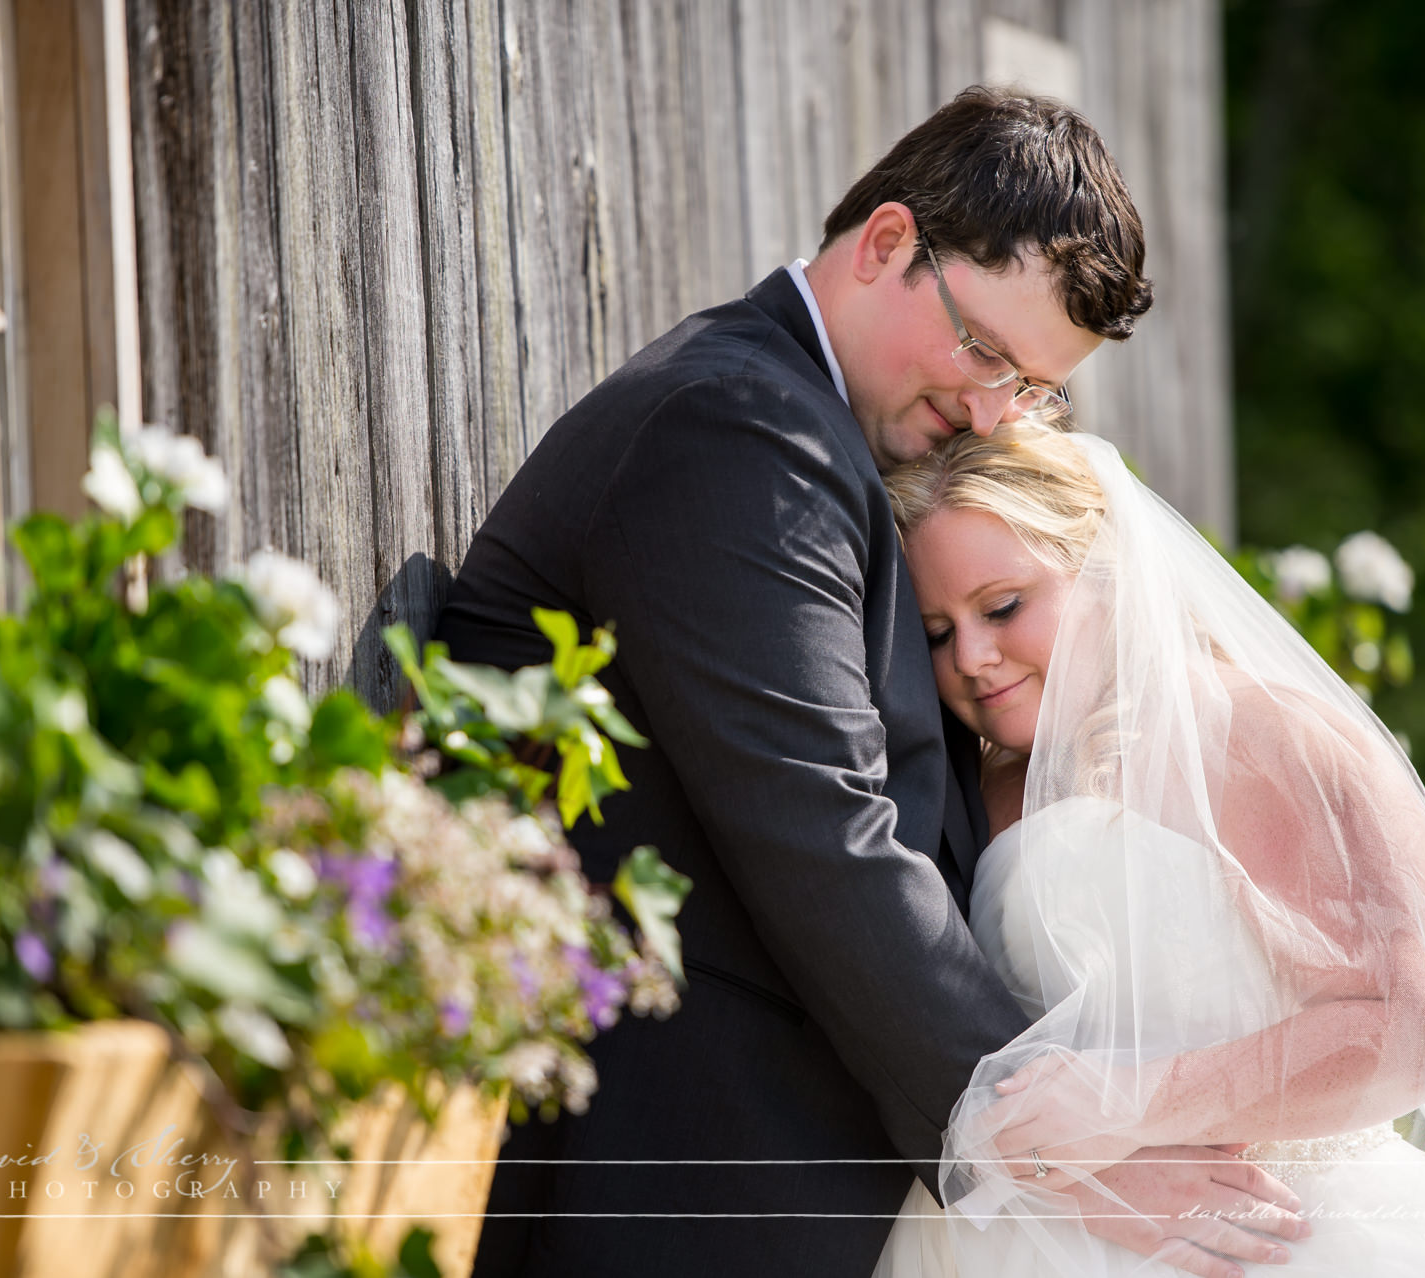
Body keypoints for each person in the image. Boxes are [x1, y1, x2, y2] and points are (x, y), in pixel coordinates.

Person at [438, 88, 1305, 1278]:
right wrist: (1070, 1144)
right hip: (675, 1172)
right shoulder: (739, 430)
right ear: (888, 243)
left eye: (1034, 389)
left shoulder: (833, 441)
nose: (992, 413)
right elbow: (821, 832)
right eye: (987, 351)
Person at [875, 422, 1425, 1277]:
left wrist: (1131, 1106)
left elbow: (1424, 1030)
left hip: (1292, 1241)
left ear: (1106, 573)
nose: (971, 657)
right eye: (936, 632)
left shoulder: (1273, 737)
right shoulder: (973, 792)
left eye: (1003, 607)